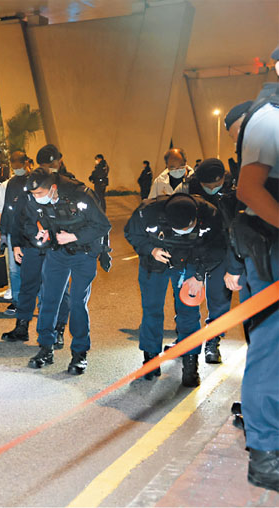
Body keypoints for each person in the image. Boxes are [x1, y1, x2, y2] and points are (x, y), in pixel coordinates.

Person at [230, 50, 279, 491]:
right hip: (273, 247)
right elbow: (250, 189)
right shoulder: (269, 118)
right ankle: (265, 455)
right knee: (272, 345)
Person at [124, 193, 226, 386]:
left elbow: (218, 247)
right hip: (155, 262)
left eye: (186, 228)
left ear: (196, 218)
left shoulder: (210, 214)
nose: (182, 232)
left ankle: (190, 366)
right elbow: (132, 232)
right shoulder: (148, 211)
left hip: (191, 263)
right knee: (152, 310)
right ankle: (151, 360)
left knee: (189, 312)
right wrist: (150, 249)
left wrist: (199, 276)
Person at [24, 166, 110, 374]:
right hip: (58, 253)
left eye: (40, 194)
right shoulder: (37, 200)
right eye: (33, 194)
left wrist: (74, 237)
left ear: (53, 188)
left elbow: (103, 225)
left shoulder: (80, 195)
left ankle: (79, 353)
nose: (36, 198)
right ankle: (46, 347)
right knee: (48, 299)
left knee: (77, 302)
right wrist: (44, 232)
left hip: (84, 253)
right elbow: (43, 220)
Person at [0, 151, 72, 347]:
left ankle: (58, 330)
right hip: (31, 248)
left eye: (40, 192)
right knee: (27, 287)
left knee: (59, 290)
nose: (37, 196)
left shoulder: (64, 193)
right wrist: (15, 244)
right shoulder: (27, 194)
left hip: (56, 249)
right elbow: (17, 220)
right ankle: (21, 327)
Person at [185, 158, 239, 364]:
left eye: (214, 185)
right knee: (187, 295)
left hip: (222, 247)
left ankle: (213, 341)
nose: (210, 189)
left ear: (222, 179)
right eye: (206, 186)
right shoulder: (191, 185)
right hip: (196, 245)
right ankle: (187, 338)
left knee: (219, 298)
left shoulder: (233, 189)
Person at [0, 150, 30, 316]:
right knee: (15, 269)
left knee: (33, 268)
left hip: (31, 232)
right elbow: (5, 209)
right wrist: (3, 232)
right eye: (14, 163)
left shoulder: (33, 181)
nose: (17, 167)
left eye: (19, 163)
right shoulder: (10, 184)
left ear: (26, 163)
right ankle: (17, 302)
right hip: (12, 231)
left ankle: (38, 301)